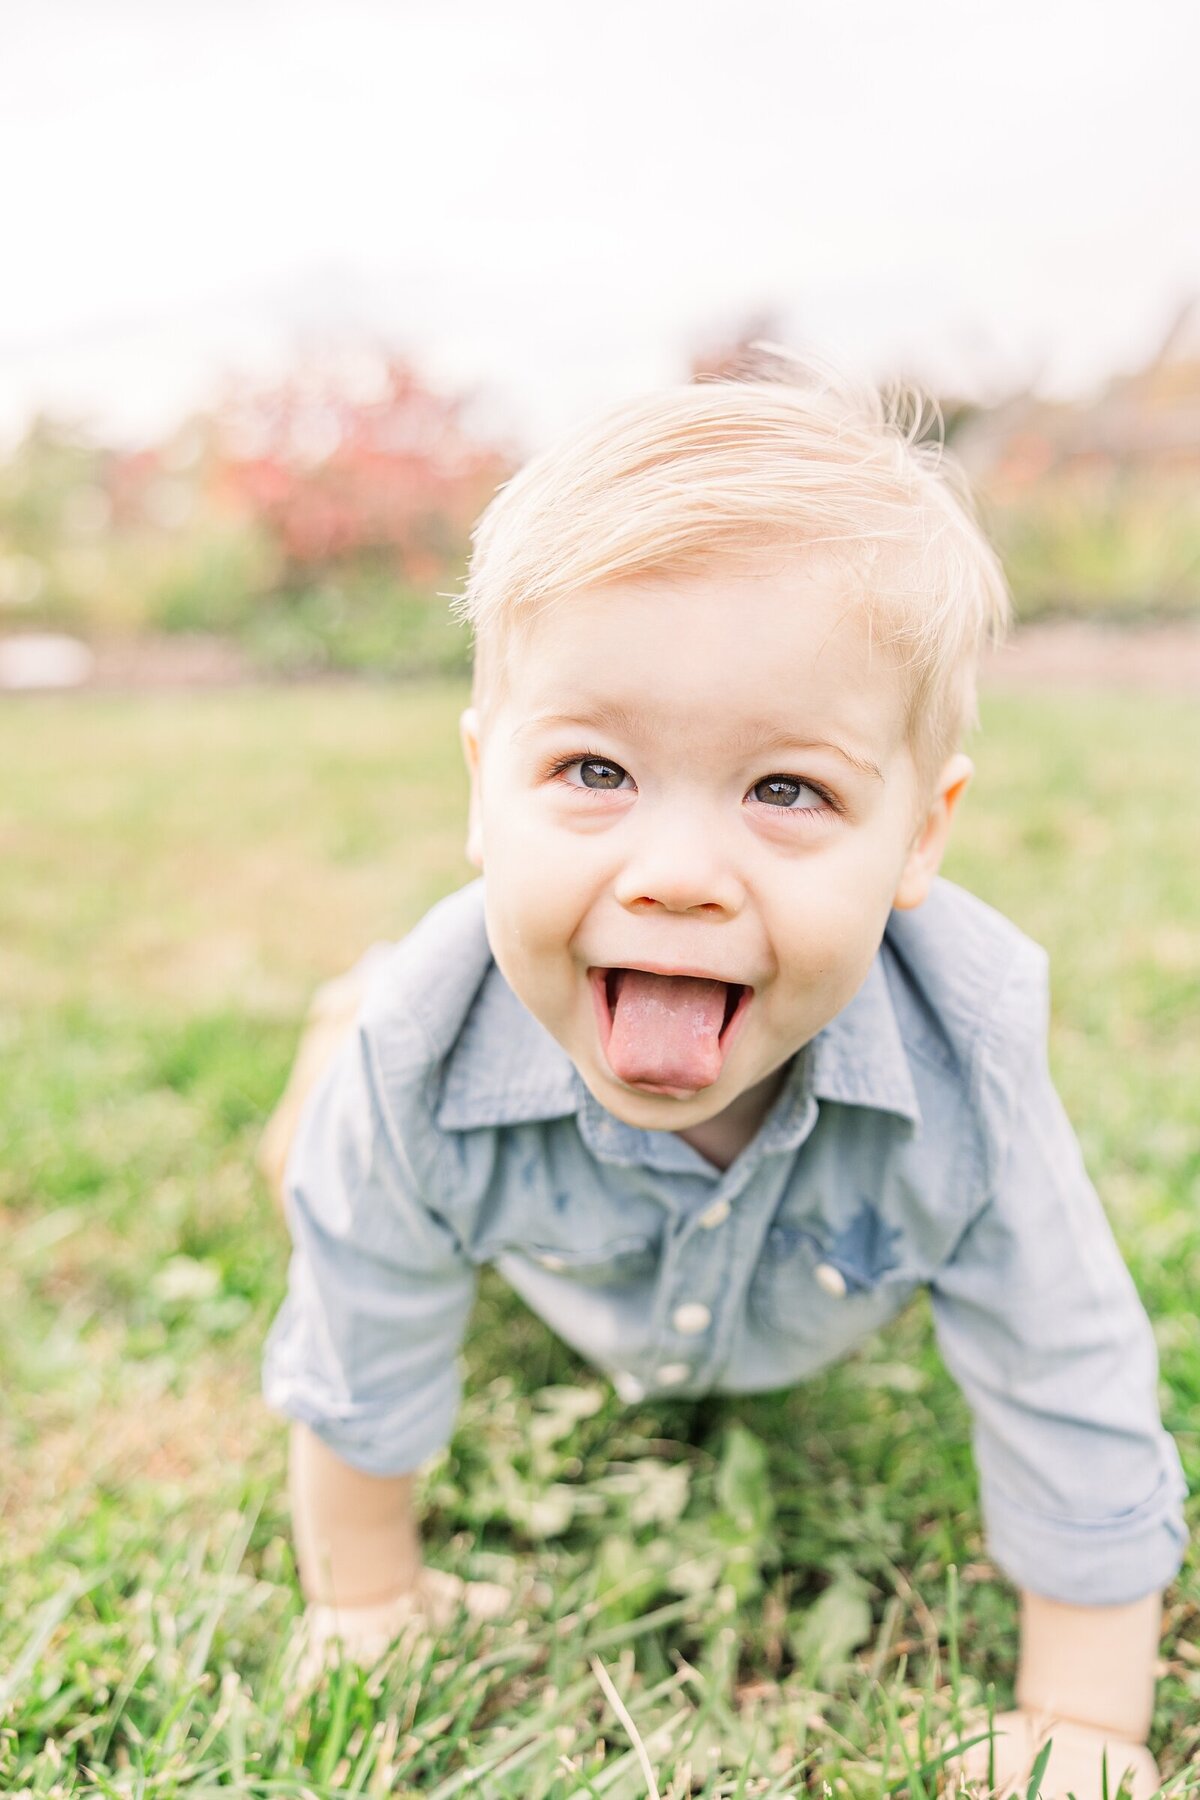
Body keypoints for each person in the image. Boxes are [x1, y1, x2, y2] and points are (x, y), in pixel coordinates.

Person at [261, 356, 1186, 1795]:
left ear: (922, 839)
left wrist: (1085, 1717)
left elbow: (1068, 1370)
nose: (680, 876)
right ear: (480, 786)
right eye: (593, 772)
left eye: (787, 791)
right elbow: (358, 1334)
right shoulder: (425, 1057)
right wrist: (368, 1602)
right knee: (325, 1150)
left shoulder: (969, 1065)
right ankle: (330, 1020)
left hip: (784, 1288)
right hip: (463, 1172)